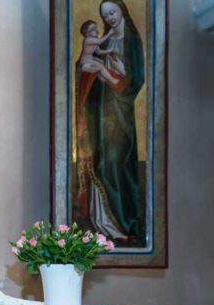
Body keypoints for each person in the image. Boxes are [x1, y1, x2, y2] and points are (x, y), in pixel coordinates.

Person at [76, 0, 145, 243]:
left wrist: (109, 74)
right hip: (99, 113)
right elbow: (83, 68)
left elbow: (135, 80)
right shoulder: (105, 38)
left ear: (122, 11)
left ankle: (124, 224)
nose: (111, 18)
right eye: (106, 15)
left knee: (116, 162)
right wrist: (96, 73)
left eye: (113, 12)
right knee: (100, 160)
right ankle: (101, 223)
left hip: (119, 116)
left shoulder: (131, 41)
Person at [78, 20, 119, 87]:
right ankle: (112, 80)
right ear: (87, 33)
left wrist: (109, 50)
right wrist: (109, 33)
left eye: (95, 27)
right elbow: (100, 41)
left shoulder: (94, 40)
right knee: (100, 66)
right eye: (93, 29)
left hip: (90, 60)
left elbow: (98, 52)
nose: (96, 30)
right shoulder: (88, 40)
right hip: (84, 63)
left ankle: (101, 77)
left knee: (101, 62)